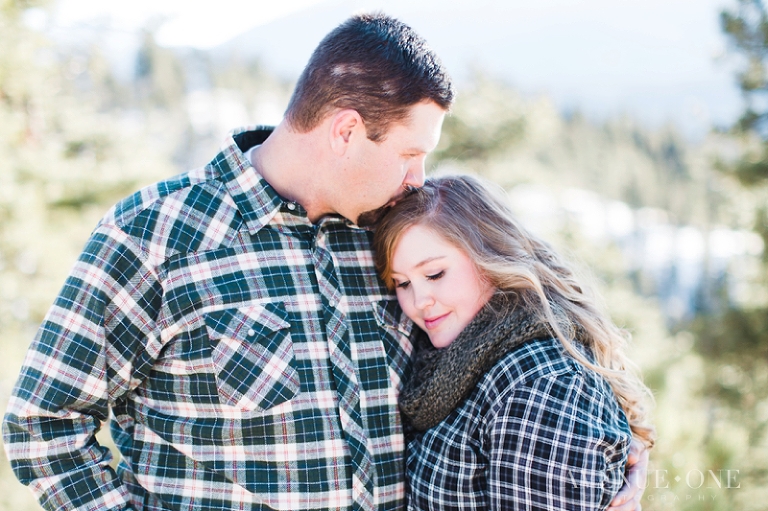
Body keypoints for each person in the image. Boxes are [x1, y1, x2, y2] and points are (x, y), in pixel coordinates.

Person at [2, 12, 647, 511]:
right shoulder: (157, 234)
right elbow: (43, 424)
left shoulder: (392, 245)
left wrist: (611, 462)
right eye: (408, 154)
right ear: (344, 131)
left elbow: (513, 343)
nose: (419, 179)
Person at [372, 174, 656, 511]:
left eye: (435, 274)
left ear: (490, 257)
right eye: (402, 283)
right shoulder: (455, 360)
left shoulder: (541, 383)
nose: (420, 300)